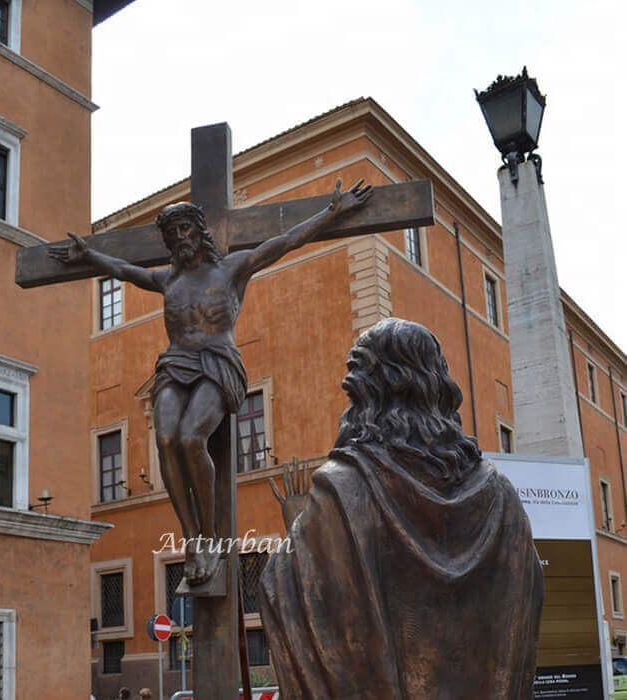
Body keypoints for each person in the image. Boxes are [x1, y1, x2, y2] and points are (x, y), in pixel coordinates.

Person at [50, 179, 371, 584]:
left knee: (189, 438)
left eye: (185, 229)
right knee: (165, 438)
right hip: (175, 363)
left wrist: (331, 213)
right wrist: (88, 255)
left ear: (199, 232)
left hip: (218, 361)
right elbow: (124, 270)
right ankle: (193, 537)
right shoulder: (168, 280)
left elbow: (285, 241)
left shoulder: (231, 268)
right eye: (172, 234)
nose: (180, 238)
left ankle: (210, 534)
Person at [260, 318, 544, 699]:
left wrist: (300, 527)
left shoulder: (343, 489)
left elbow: (292, 596)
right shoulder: (502, 497)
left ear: (370, 395)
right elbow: (527, 603)